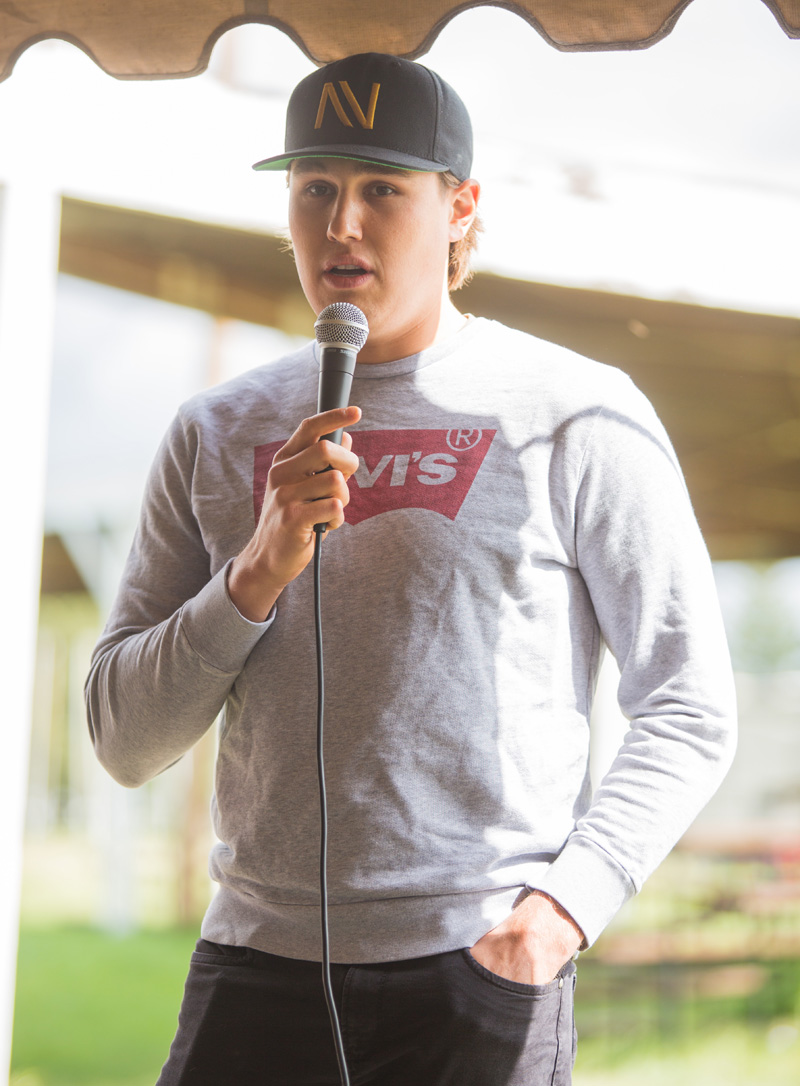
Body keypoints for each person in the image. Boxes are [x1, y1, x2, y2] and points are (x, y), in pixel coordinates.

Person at [85, 52, 737, 1085]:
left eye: (380, 188)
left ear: (459, 207)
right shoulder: (215, 430)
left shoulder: (573, 412)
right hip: (256, 967)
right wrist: (254, 570)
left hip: (479, 973)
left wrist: (557, 918)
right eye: (315, 191)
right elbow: (123, 740)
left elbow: (689, 702)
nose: (341, 224)